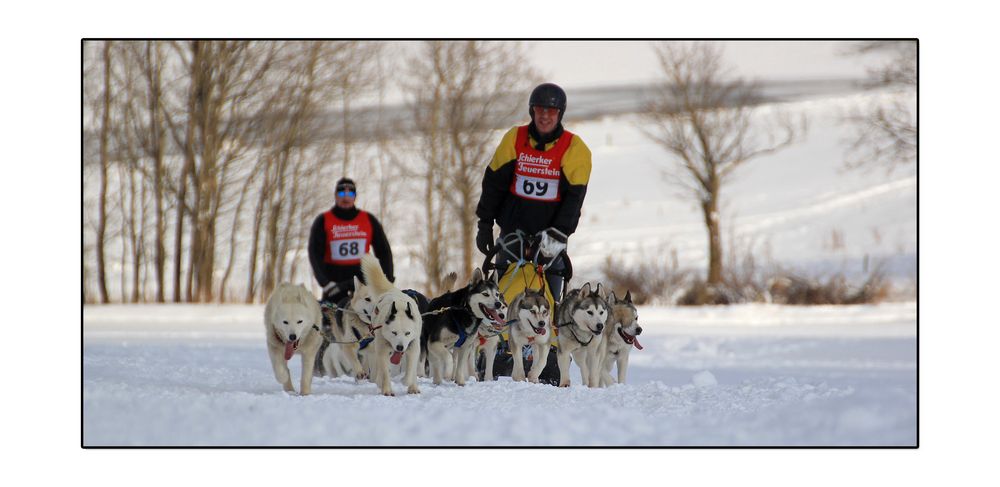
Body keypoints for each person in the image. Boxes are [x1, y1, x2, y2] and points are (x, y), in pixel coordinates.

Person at [475, 82, 592, 300]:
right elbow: (494, 184)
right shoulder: (514, 138)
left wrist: (559, 232)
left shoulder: (574, 148)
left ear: (560, 114)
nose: (545, 116)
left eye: (551, 111)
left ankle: (552, 326)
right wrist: (485, 223)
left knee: (547, 300)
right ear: (532, 111)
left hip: (551, 234)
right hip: (513, 231)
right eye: (540, 110)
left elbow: (574, 199)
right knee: (502, 297)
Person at [308, 177, 394, 305]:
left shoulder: (368, 219)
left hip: (363, 281)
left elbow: (383, 251)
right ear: (336, 196)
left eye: (350, 193)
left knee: (368, 321)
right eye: (342, 193)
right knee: (331, 321)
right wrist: (325, 283)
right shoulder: (323, 220)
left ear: (355, 196)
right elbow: (315, 254)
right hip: (334, 283)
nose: (346, 197)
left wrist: (387, 279)